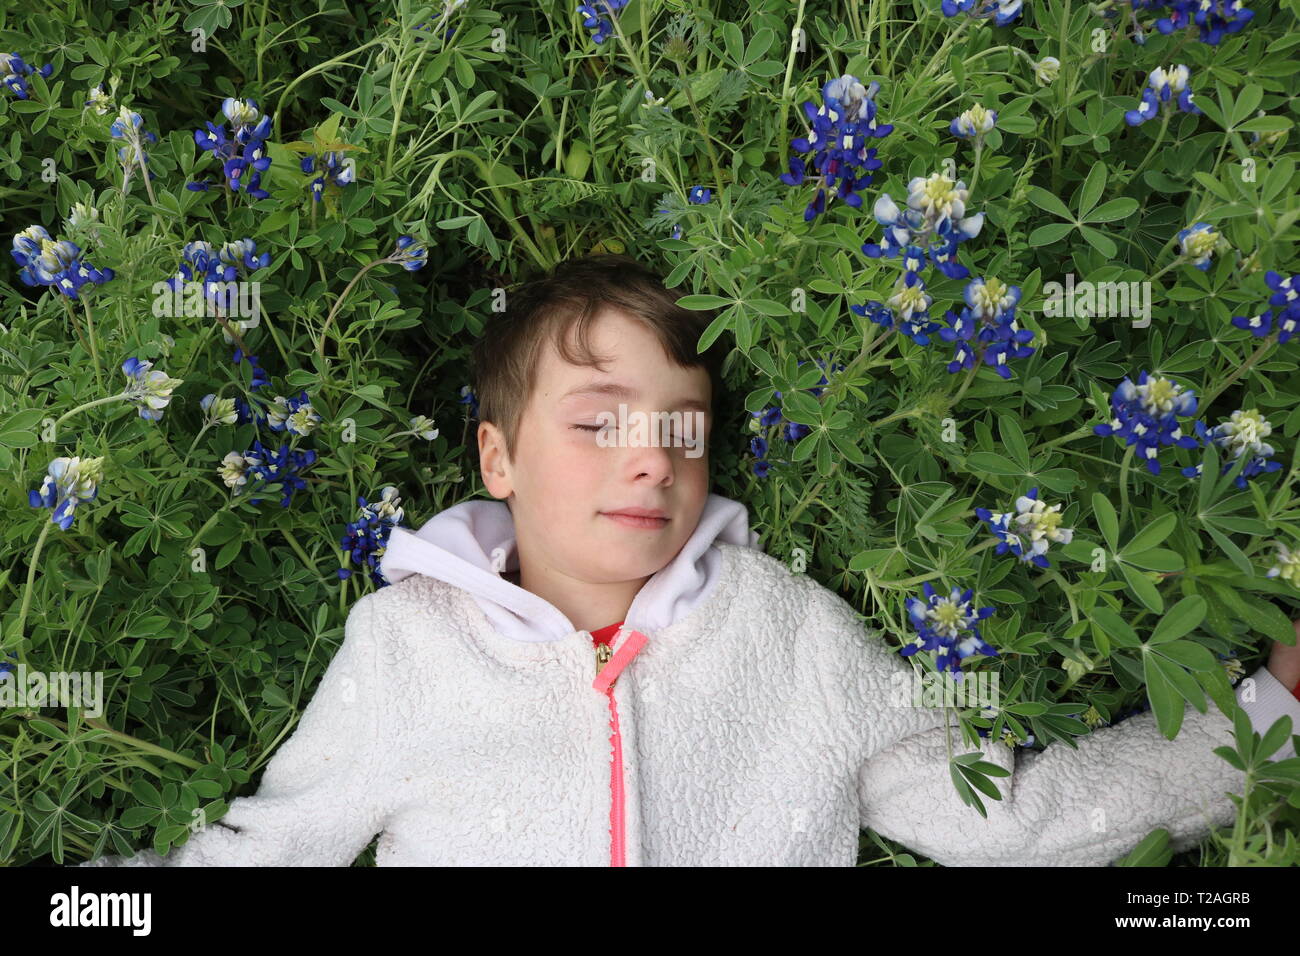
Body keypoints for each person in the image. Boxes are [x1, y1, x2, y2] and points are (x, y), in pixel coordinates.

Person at [82, 254, 1300, 867]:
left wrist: (1272, 713)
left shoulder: (792, 634)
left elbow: (1017, 816)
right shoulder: (406, 647)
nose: (651, 456)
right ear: (497, 458)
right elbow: (262, 851)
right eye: (599, 419)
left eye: (682, 426)